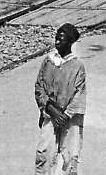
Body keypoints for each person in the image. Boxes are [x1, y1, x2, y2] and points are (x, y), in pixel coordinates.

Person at [34, 23, 87, 175]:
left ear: (70, 42)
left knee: (71, 155)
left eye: (61, 39)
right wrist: (50, 109)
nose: (57, 41)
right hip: (50, 114)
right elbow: (39, 87)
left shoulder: (77, 66)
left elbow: (79, 94)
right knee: (44, 153)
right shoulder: (48, 62)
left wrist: (65, 116)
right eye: (56, 38)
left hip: (70, 118)